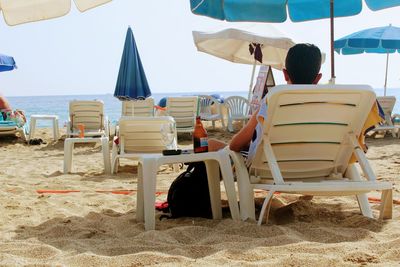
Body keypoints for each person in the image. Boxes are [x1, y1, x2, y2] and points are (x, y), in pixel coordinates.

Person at [209, 43, 383, 165]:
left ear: (285, 74)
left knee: (210, 144)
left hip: (270, 166)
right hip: (323, 163)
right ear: (318, 78)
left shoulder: (273, 101)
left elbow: (235, 145)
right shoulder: (337, 104)